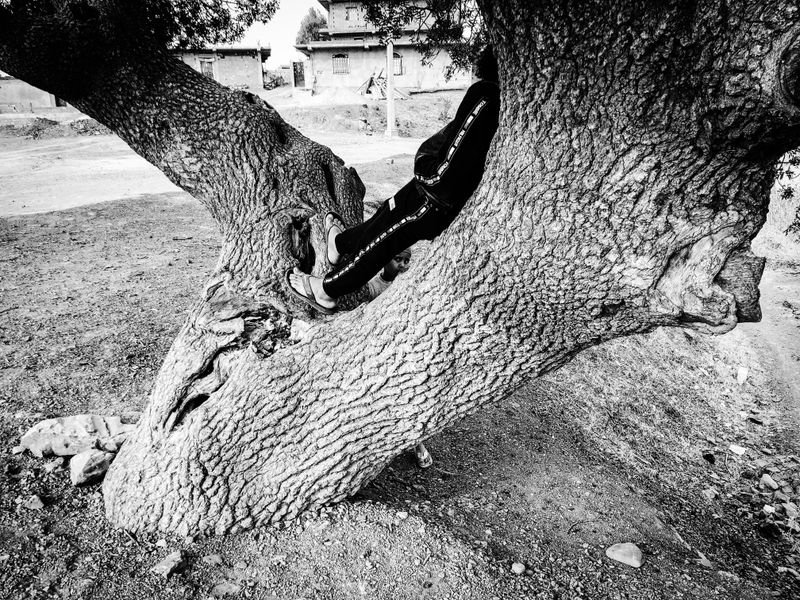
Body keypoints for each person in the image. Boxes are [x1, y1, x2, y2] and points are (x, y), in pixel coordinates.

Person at [287, 45, 501, 315]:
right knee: (382, 218)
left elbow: (451, 161)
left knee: (383, 240)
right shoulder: (491, 96)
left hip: (435, 196)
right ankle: (338, 245)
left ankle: (326, 291)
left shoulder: (487, 95)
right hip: (432, 191)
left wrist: (424, 169)